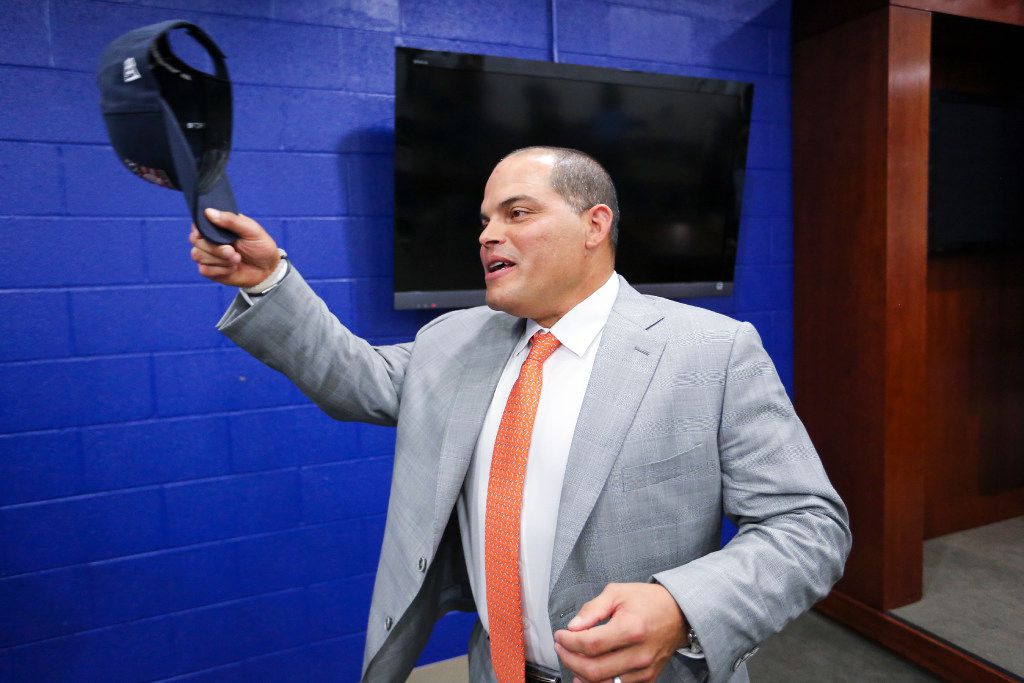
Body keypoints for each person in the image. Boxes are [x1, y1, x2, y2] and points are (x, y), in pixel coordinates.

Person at [189, 147, 851, 683]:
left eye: (516, 212)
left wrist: (682, 607)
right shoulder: (455, 341)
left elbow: (809, 525)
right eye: (484, 219)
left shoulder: (712, 351)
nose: (488, 235)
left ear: (595, 225)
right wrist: (266, 278)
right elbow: (352, 378)